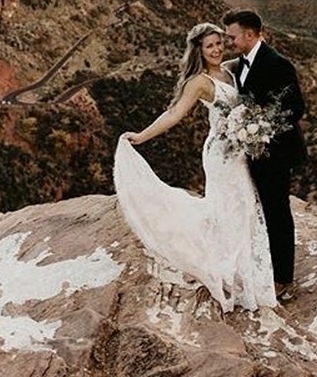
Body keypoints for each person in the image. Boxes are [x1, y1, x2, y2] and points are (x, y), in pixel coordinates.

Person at [114, 22, 277, 312]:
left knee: (244, 207)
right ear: (199, 51)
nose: (215, 50)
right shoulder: (199, 82)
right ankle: (227, 270)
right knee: (228, 207)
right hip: (221, 155)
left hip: (239, 150)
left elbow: (255, 58)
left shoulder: (229, 69)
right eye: (209, 46)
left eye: (218, 43)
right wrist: (141, 136)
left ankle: (243, 270)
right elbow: (175, 113)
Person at [222, 8, 307, 301]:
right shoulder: (240, 62)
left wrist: (260, 125)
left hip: (276, 153)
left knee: (277, 213)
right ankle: (264, 265)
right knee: (259, 211)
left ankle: (284, 278)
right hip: (253, 152)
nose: (228, 42)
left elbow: (296, 108)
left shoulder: (277, 64)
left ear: (250, 34)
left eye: (232, 37)